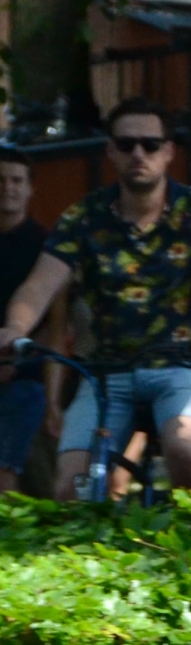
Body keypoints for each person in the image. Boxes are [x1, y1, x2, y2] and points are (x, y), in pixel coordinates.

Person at [0, 97, 191, 498]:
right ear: (111, 151)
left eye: (149, 144)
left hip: (181, 365)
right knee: (71, 485)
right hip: (106, 373)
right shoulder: (84, 217)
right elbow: (39, 285)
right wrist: (15, 328)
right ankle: (91, 558)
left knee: (186, 451)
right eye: (126, 145)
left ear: (167, 151)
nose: (138, 154)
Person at [0, 148, 66, 495]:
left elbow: (56, 328)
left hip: (24, 376)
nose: (8, 188)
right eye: (1, 180)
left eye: (16, 180)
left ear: (29, 189)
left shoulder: (46, 248)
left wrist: (54, 401)